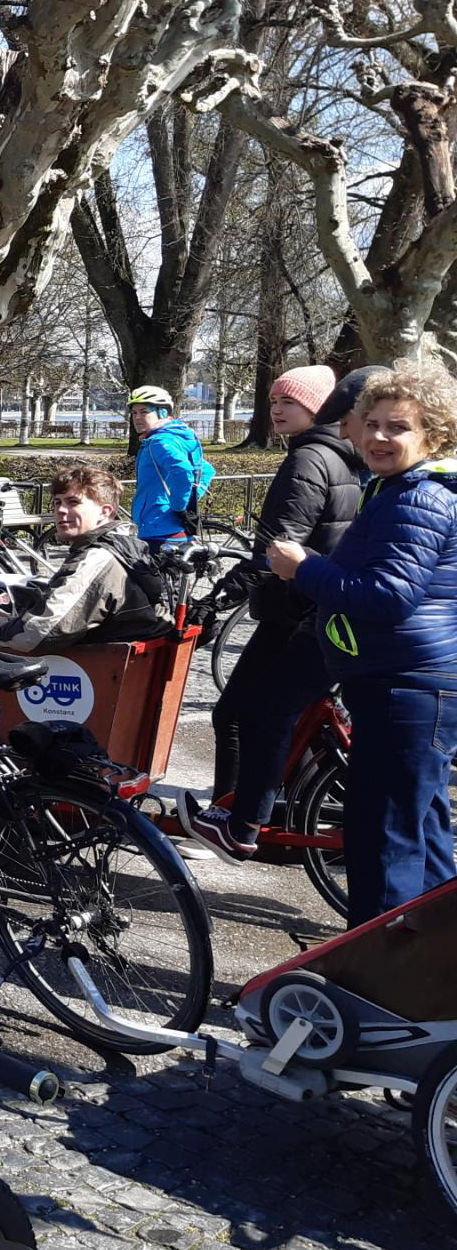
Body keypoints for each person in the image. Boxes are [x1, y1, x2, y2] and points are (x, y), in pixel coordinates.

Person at [268, 360, 457, 925]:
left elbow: (387, 596)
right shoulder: (408, 488)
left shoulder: (417, 497)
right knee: (421, 830)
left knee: (381, 838)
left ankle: (378, 978)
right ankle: (432, 966)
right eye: (369, 423)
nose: (377, 436)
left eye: (396, 427)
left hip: (405, 687)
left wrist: (305, 569)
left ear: (434, 434)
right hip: (414, 683)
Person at [178, 366, 363, 859]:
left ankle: (233, 819)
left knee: (240, 713)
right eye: (273, 399)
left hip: (293, 609)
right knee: (278, 715)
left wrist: (218, 597)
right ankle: (269, 813)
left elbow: (278, 545)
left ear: (320, 408)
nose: (276, 409)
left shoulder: (309, 459)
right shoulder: (348, 458)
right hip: (317, 606)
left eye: (290, 402)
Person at [0, 464, 169, 653]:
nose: (61, 510)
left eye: (73, 502)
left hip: (95, 669)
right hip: (117, 657)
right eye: (57, 502)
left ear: (105, 512)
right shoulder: (126, 547)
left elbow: (44, 631)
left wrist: (2, 632)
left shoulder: (98, 558)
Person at [128, 385, 214, 551]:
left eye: (144, 412)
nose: (137, 418)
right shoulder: (177, 437)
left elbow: (182, 471)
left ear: (162, 413)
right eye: (134, 413)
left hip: (157, 527)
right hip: (177, 528)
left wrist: (178, 506)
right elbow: (207, 470)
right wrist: (189, 503)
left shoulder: (159, 442)